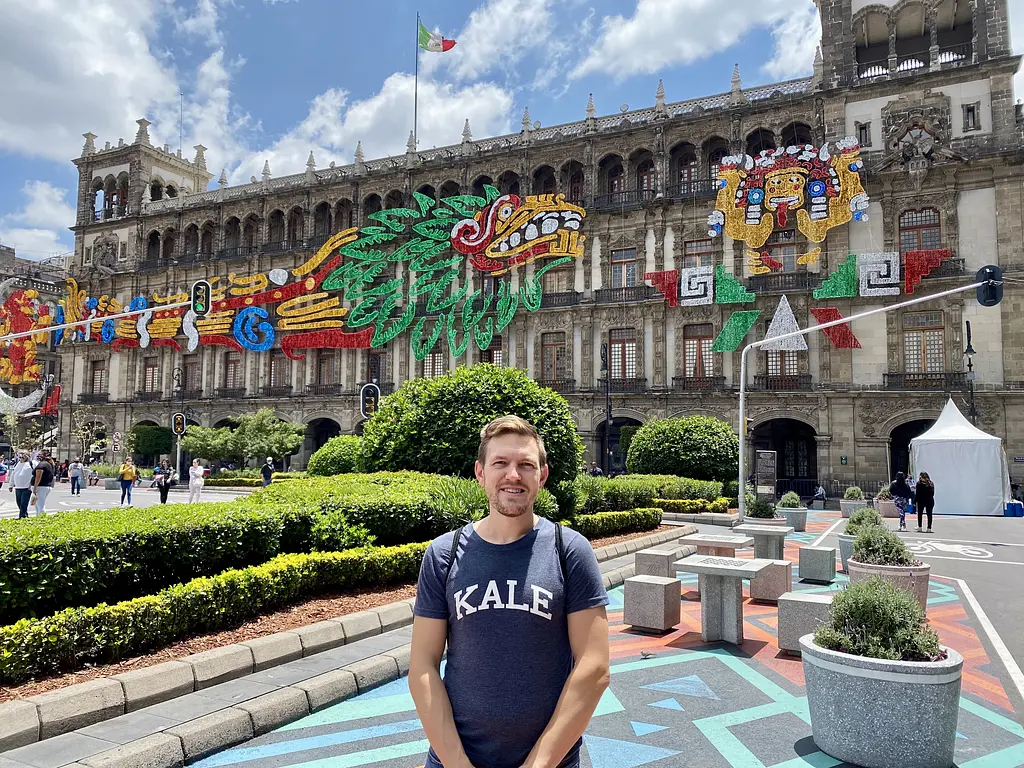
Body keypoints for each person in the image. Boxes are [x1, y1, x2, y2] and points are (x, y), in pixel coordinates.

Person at [409, 415, 610, 768]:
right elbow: (423, 666)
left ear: (542, 476)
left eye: (526, 465)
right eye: (500, 463)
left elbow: (594, 667)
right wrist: (457, 762)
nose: (513, 475)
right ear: (480, 472)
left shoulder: (570, 550)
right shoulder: (444, 553)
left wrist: (540, 763)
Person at [8, 451, 34, 518]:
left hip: (27, 488)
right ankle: (25, 515)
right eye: (21, 454)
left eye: (24, 454)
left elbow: (35, 475)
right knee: (18, 502)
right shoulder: (18, 464)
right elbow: (13, 475)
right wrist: (11, 485)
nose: (22, 456)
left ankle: (22, 517)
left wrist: (32, 486)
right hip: (18, 487)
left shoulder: (32, 463)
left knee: (23, 503)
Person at [31, 450, 55, 516]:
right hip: (45, 486)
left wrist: (35, 488)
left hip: (40, 486)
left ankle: (42, 519)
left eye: (40, 454)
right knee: (37, 505)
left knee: (40, 505)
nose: (38, 456)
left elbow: (38, 476)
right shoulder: (49, 464)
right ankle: (38, 517)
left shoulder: (42, 464)